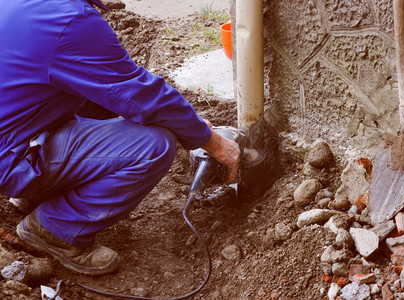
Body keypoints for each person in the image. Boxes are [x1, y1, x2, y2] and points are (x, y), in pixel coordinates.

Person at [0, 0, 240, 276]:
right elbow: (142, 95)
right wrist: (213, 141)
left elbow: (116, 88)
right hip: (10, 158)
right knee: (154, 145)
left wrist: (189, 123)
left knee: (97, 98)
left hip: (13, 131)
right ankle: (56, 228)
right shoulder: (70, 23)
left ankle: (37, 193)